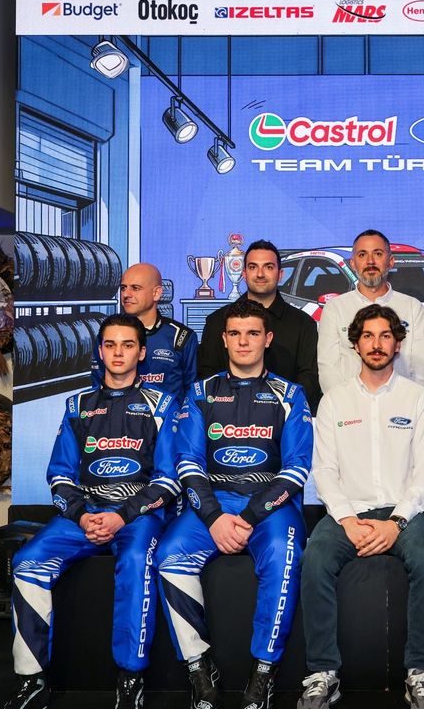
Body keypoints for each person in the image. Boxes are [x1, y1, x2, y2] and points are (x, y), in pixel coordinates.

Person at [5, 313, 180, 709]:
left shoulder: (163, 405)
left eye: (128, 345)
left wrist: (122, 516)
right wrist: (83, 516)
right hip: (85, 514)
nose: (118, 353)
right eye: (110, 345)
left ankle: (130, 676)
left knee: (136, 561)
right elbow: (59, 475)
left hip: (137, 516)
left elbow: (168, 481)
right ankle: (31, 678)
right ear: (100, 351)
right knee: (28, 562)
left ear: (141, 352)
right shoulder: (77, 405)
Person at [157, 299, 313, 709]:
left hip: (268, 505)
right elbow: (187, 463)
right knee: (169, 555)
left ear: (268, 338)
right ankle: (198, 665)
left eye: (253, 333)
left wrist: (245, 518)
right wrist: (214, 517)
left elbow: (297, 469)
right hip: (212, 503)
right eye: (235, 333)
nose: (244, 341)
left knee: (284, 553)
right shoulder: (200, 393)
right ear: (224, 340)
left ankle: (264, 669)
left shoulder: (290, 395)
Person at [299, 304, 424, 709]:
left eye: (385, 336)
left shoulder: (418, 399)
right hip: (347, 513)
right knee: (314, 560)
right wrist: (347, 519)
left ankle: (420, 671)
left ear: (398, 344)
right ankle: (322, 672)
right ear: (356, 344)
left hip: (406, 513)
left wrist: (396, 522)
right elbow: (323, 470)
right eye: (368, 336)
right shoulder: (334, 401)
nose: (376, 344)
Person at [197, 239, 321, 411]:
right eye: (253, 267)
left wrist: (281, 412)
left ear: (280, 274)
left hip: (286, 417)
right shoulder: (217, 321)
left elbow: (309, 380)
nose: (260, 274)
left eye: (268, 267)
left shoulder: (303, 324)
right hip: (225, 418)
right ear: (244, 273)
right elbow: (206, 377)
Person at [317, 230, 424, 394]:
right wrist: (346, 402)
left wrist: (405, 402)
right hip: (349, 405)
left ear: (391, 262)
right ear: (353, 263)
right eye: (362, 255)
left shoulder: (412, 307)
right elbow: (328, 369)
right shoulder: (335, 308)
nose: (370, 261)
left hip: (403, 404)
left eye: (378, 254)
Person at [92, 262, 197, 402]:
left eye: (135, 288)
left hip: (168, 415)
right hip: (118, 414)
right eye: (123, 288)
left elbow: (192, 394)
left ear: (156, 293)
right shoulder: (107, 334)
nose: (126, 294)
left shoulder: (181, 337)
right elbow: (97, 389)